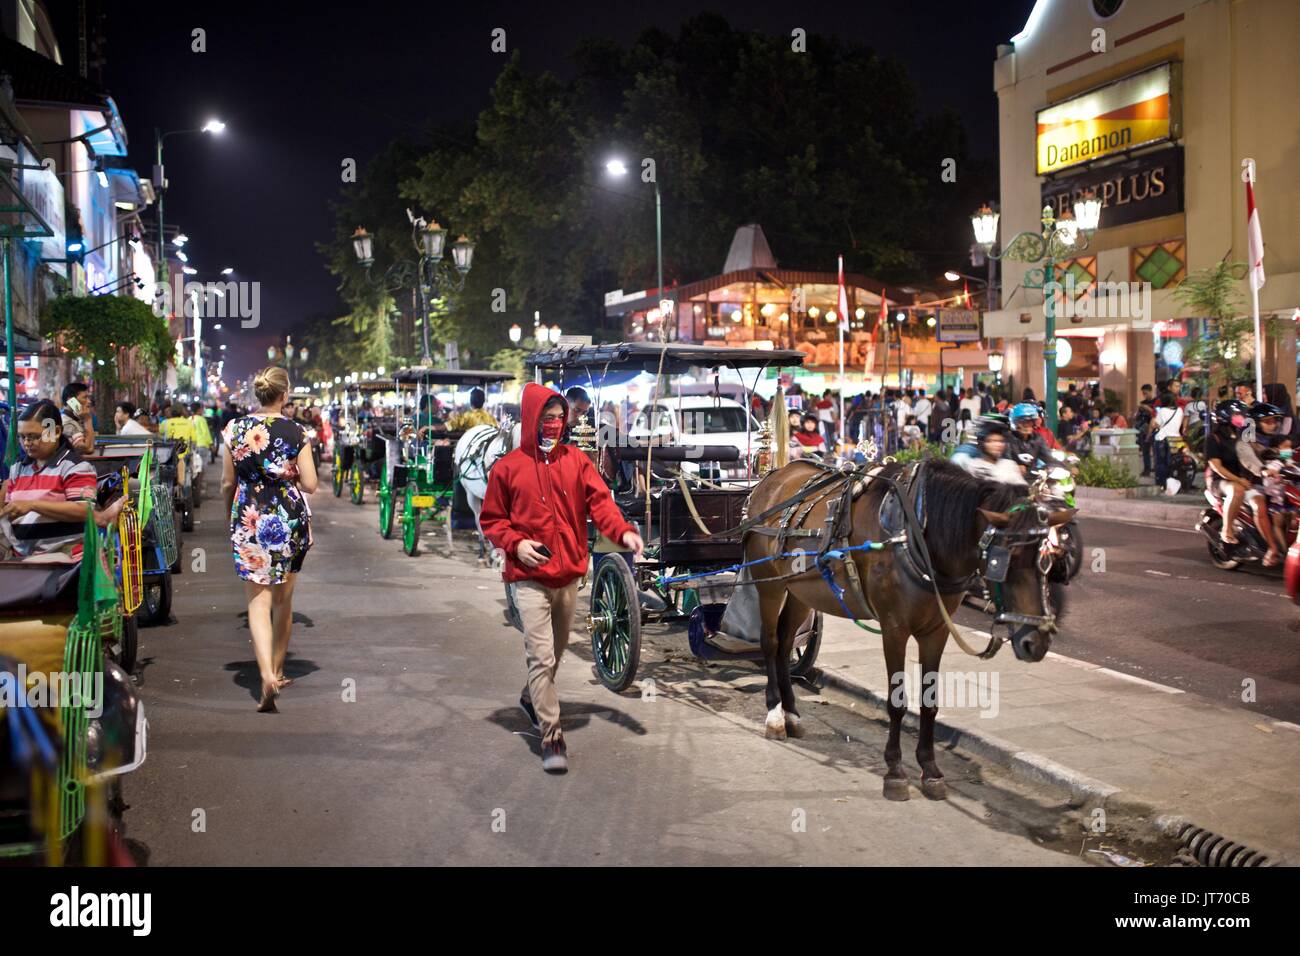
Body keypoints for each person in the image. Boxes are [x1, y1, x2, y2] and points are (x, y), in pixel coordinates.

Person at [479, 383, 644, 774]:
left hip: (568, 575)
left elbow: (601, 503)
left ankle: (529, 698)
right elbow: (492, 520)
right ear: (532, 419)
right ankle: (551, 736)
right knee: (541, 655)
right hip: (529, 577)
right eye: (547, 418)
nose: (553, 425)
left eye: (558, 418)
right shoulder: (507, 468)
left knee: (554, 652)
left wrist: (622, 533)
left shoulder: (576, 462)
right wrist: (515, 544)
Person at [221, 367, 318, 712]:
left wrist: (227, 513)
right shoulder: (296, 431)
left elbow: (226, 482)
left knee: (257, 603)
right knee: (283, 602)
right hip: (288, 516)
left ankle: (266, 675)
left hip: (249, 515)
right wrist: (288, 472)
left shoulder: (234, 428)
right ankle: (278, 670)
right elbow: (310, 484)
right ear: (284, 394)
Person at [0, 399, 124, 561]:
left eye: (34, 436)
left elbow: (83, 510)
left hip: (65, 560)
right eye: (22, 437)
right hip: (23, 557)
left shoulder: (75, 468)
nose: (27, 443)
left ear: (56, 431)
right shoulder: (18, 469)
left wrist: (33, 505)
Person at [1205, 400, 1280, 566]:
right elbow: (1215, 466)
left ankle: (1272, 548)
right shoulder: (1214, 438)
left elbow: (1254, 450)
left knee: (1260, 503)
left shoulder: (1241, 434)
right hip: (1221, 481)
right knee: (1237, 490)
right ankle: (1227, 530)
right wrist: (1238, 479)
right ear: (1226, 416)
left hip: (1243, 480)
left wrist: (1277, 454)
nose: (1243, 417)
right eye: (1238, 414)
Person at [951, 416, 1027, 486]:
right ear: (982, 443)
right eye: (991, 441)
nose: (998, 445)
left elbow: (1023, 491)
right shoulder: (972, 466)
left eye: (1001, 441)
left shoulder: (1009, 466)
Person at [1006, 402, 1054, 476]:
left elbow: (1049, 458)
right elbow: (1002, 461)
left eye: (1030, 421)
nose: (1027, 425)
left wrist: (1064, 468)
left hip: (1033, 479)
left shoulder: (1037, 438)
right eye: (1023, 422)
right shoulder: (1007, 439)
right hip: (1011, 480)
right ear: (1015, 423)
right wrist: (1014, 468)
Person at [1152, 394, 1184, 489]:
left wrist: (1154, 422)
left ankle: (1162, 484)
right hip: (1176, 439)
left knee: (1161, 463)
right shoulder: (1180, 410)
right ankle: (1172, 482)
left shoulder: (1162, 411)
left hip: (1163, 439)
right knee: (1173, 462)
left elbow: (1157, 425)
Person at [60, 382, 95, 451]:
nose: (89, 401)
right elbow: (89, 449)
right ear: (71, 400)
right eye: (85, 397)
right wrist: (88, 420)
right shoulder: (66, 423)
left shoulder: (76, 418)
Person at [1133, 384, 1156, 476]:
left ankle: (1156, 469)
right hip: (1143, 429)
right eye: (1143, 393)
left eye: (1146, 393)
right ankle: (1147, 470)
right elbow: (1137, 417)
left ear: (1151, 391)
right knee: (1145, 451)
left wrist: (1148, 409)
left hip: (1153, 428)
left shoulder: (1156, 402)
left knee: (1155, 451)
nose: (1145, 395)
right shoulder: (1142, 403)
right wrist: (1138, 411)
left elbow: (1156, 414)